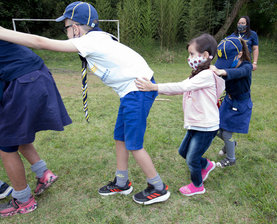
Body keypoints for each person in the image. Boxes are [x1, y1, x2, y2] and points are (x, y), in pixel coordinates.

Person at [0, 1, 170, 205]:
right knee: (120, 137)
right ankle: (122, 182)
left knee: (134, 143)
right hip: (131, 92)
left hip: (138, 91)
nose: (66, 32)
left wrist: (2, 32)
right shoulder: (99, 37)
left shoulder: (90, 41)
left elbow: (40, 42)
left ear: (76, 27)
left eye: (66, 27)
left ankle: (158, 187)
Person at [135, 34, 225, 196]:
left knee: (191, 158)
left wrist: (154, 87)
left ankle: (198, 186)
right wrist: (155, 90)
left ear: (205, 55)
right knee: (183, 152)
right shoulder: (198, 74)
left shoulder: (205, 75)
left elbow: (182, 86)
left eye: (192, 54)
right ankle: (207, 165)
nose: (189, 58)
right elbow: (179, 88)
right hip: (195, 124)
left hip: (206, 126)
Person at [0, 40, 72, 217]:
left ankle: (23, 200)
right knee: (18, 135)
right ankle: (43, 173)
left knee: (5, 144)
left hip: (22, 81)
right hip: (39, 73)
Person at [210, 36, 253, 168]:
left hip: (239, 105)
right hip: (227, 101)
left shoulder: (247, 66)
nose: (225, 65)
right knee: (214, 128)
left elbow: (238, 72)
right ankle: (231, 144)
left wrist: (221, 71)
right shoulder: (226, 65)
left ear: (239, 54)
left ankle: (231, 158)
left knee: (227, 132)